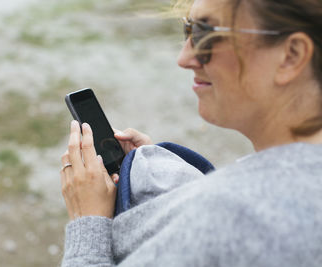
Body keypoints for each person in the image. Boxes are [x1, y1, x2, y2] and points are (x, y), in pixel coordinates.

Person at [59, 0, 322, 266]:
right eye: (188, 30)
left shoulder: (236, 216)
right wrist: (160, 179)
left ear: (292, 55)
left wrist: (88, 223)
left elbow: (230, 219)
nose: (184, 58)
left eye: (206, 34)